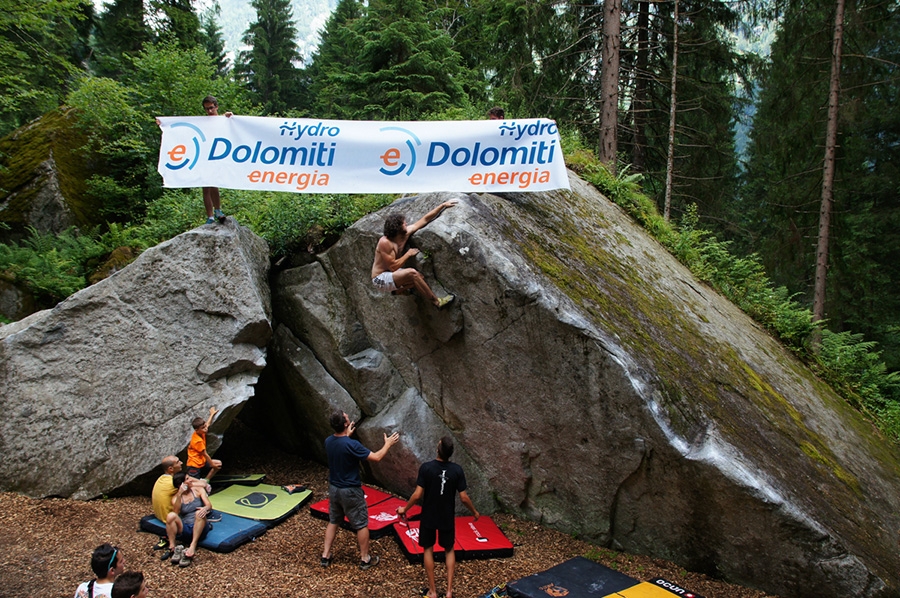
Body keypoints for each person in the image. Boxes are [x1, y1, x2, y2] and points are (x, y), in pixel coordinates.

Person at [397, 436, 480, 598]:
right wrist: (474, 512)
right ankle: (449, 592)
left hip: (429, 515)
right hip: (446, 515)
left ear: (438, 449)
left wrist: (404, 509)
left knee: (428, 548)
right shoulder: (457, 470)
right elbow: (464, 497)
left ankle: (433, 591)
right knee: (449, 549)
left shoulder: (426, 468)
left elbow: (417, 494)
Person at [321, 409, 400, 570]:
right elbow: (377, 457)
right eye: (347, 418)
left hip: (334, 489)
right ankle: (365, 558)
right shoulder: (352, 445)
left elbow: (341, 445)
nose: (349, 418)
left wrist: (347, 435)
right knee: (361, 524)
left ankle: (325, 555)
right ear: (344, 424)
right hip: (350, 490)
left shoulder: (329, 441)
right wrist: (388, 444)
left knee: (334, 520)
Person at [371, 200, 458, 309]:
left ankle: (398, 291)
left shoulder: (405, 234)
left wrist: (442, 205)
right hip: (380, 278)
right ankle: (437, 302)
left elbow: (425, 219)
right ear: (398, 229)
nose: (406, 224)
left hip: (392, 274)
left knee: (419, 278)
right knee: (413, 273)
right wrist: (408, 254)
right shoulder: (385, 243)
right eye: (404, 223)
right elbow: (393, 267)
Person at [200, 95, 232, 225]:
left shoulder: (223, 120)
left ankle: (218, 211)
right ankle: (210, 216)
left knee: (214, 183)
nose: (209, 111)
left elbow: (233, 127)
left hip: (218, 155)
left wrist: (230, 117)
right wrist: (163, 124)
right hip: (204, 156)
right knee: (205, 186)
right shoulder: (202, 122)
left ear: (216, 106)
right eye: (206, 109)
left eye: (211, 108)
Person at [170, 472, 212, 567]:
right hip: (187, 528)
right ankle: (172, 547)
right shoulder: (175, 498)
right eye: (188, 479)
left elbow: (209, 505)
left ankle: (193, 545)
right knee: (171, 516)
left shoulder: (198, 490)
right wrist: (180, 494)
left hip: (201, 526)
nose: (191, 480)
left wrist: (205, 508)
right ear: (181, 484)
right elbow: (176, 513)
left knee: (198, 513)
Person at [151, 455, 182, 560]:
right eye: (178, 462)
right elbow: (195, 484)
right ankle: (172, 545)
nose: (181, 463)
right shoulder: (173, 483)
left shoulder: (161, 478)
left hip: (159, 516)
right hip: (169, 519)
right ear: (171, 469)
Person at [186, 406, 222, 482]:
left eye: (205, 426)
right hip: (194, 465)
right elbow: (204, 453)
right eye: (203, 428)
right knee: (194, 482)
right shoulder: (197, 440)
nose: (205, 429)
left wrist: (212, 414)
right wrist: (212, 465)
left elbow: (207, 424)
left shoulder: (201, 432)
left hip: (201, 462)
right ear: (197, 430)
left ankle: (206, 480)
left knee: (218, 463)